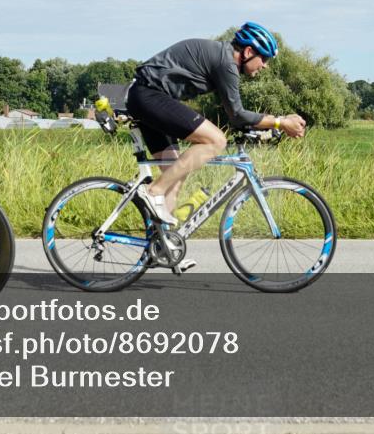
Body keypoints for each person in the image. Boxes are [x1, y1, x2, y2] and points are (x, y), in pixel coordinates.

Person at [126, 21, 307, 271]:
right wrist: (279, 122)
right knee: (215, 140)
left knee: (175, 173)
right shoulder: (226, 63)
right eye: (264, 59)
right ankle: (152, 192)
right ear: (247, 52)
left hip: (147, 97)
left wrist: (262, 129)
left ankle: (163, 248)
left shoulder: (222, 59)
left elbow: (236, 116)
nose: (265, 66)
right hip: (150, 95)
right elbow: (237, 115)